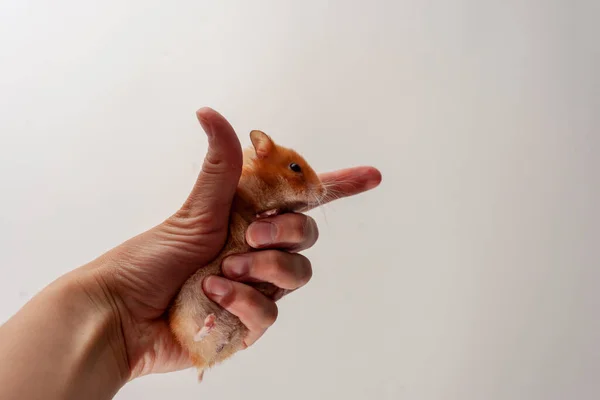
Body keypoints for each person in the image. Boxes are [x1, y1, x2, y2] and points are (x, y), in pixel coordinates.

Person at [0, 107, 381, 400]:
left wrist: (117, 323)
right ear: (261, 154)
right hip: (192, 318)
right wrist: (115, 312)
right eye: (297, 170)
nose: (307, 180)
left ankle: (209, 332)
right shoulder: (245, 185)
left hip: (199, 324)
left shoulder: (266, 206)